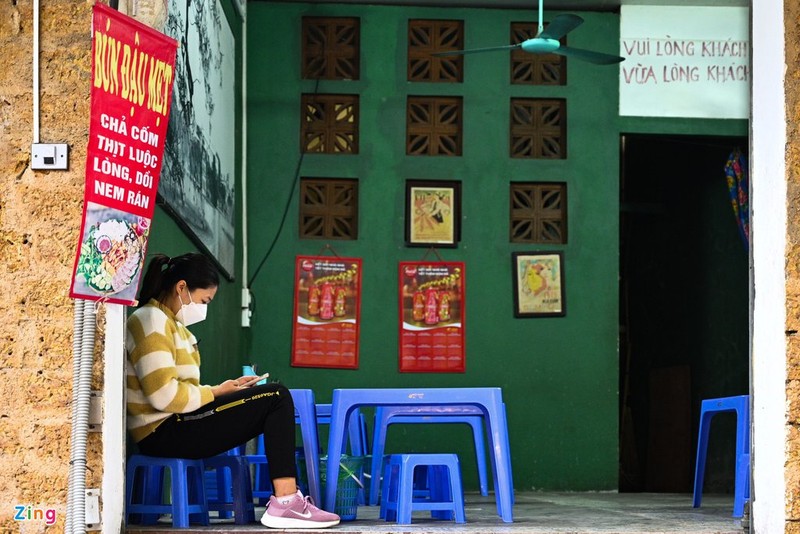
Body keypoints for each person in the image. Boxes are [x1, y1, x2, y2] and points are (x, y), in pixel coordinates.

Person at [125, 252, 339, 529]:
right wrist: (215, 393)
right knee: (275, 397)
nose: (204, 309)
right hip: (165, 430)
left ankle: (287, 501)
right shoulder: (151, 320)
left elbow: (178, 391)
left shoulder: (169, 324)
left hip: (176, 424)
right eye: (204, 301)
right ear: (181, 288)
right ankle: (286, 502)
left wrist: (223, 390)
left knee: (272, 398)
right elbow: (164, 395)